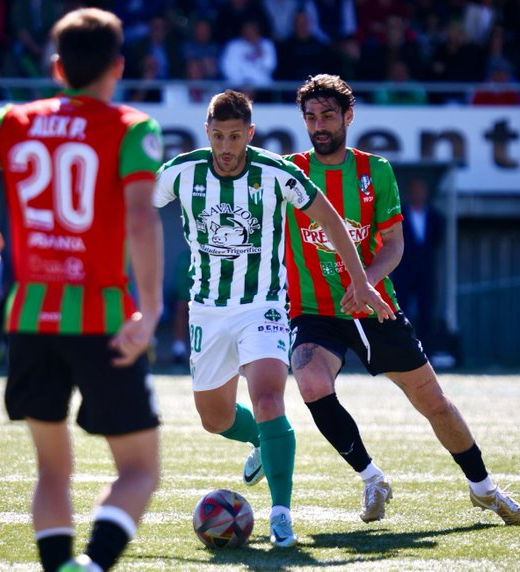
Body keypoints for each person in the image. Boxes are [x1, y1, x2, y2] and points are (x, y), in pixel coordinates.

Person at [0, 8, 164, 572]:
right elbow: (142, 222)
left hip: (30, 316)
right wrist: (150, 309)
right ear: (118, 66)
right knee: (139, 469)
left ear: (56, 68)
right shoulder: (130, 127)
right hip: (102, 317)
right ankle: (94, 565)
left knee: (53, 468)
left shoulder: (12, 121)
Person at [284, 74, 520, 526]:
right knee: (311, 382)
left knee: (434, 401)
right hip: (314, 310)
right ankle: (372, 478)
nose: (318, 125)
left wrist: (367, 283)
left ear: (348, 117)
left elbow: (394, 244)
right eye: (311, 117)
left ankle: (484, 488)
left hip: (375, 306)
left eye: (327, 115)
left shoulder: (374, 170)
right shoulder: (289, 172)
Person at [154, 89, 394, 548]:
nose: (226, 147)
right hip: (206, 309)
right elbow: (131, 207)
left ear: (250, 134)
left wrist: (362, 282)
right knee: (214, 418)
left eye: (235, 137)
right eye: (219, 136)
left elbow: (330, 219)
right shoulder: (181, 172)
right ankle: (261, 443)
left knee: (268, 400)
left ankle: (280, 513)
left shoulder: (276, 173)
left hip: (263, 305)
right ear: (207, 133)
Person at [391, 178, 445, 342]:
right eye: (415, 191)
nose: (418, 195)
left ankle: (427, 351)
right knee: (401, 310)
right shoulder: (400, 214)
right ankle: (403, 348)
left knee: (426, 312)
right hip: (404, 271)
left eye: (421, 191)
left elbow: (437, 240)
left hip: (426, 272)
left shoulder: (435, 216)